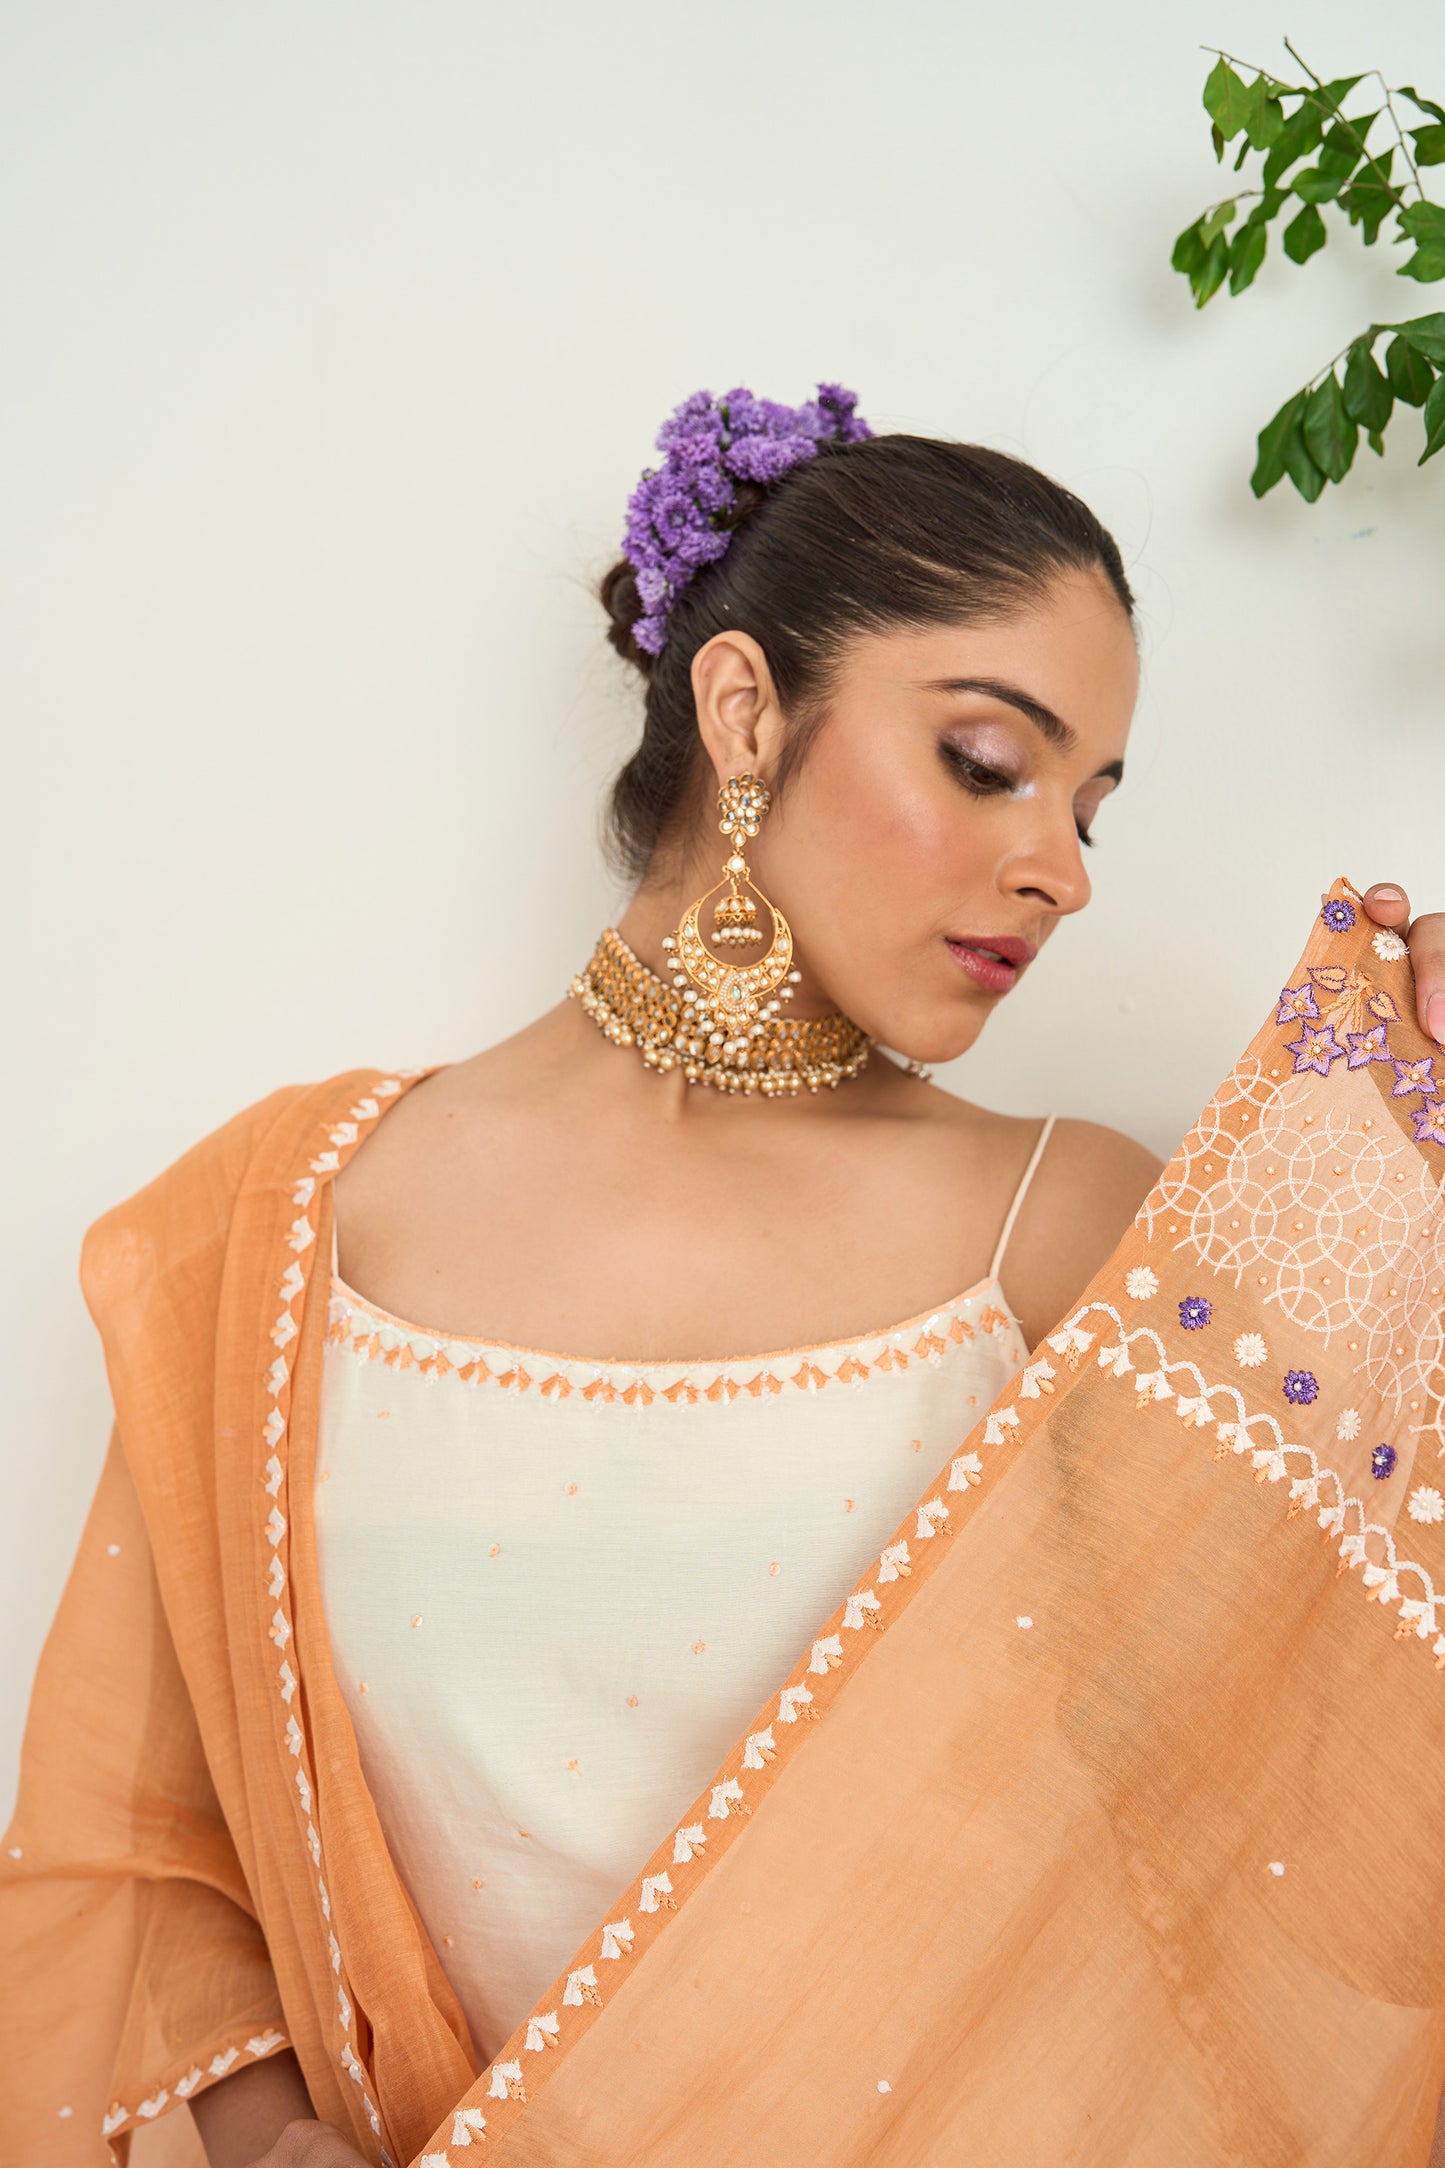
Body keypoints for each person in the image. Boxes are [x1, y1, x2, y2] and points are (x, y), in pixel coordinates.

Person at [5, 387, 1443, 2168]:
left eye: (1091, 809)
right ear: (744, 707)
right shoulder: (286, 1225)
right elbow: (159, 1844)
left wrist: (1408, 1166)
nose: (1061, 873)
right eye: (985, 762)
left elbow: (1338, 1813)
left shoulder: (1066, 1234)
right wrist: (271, 2139)